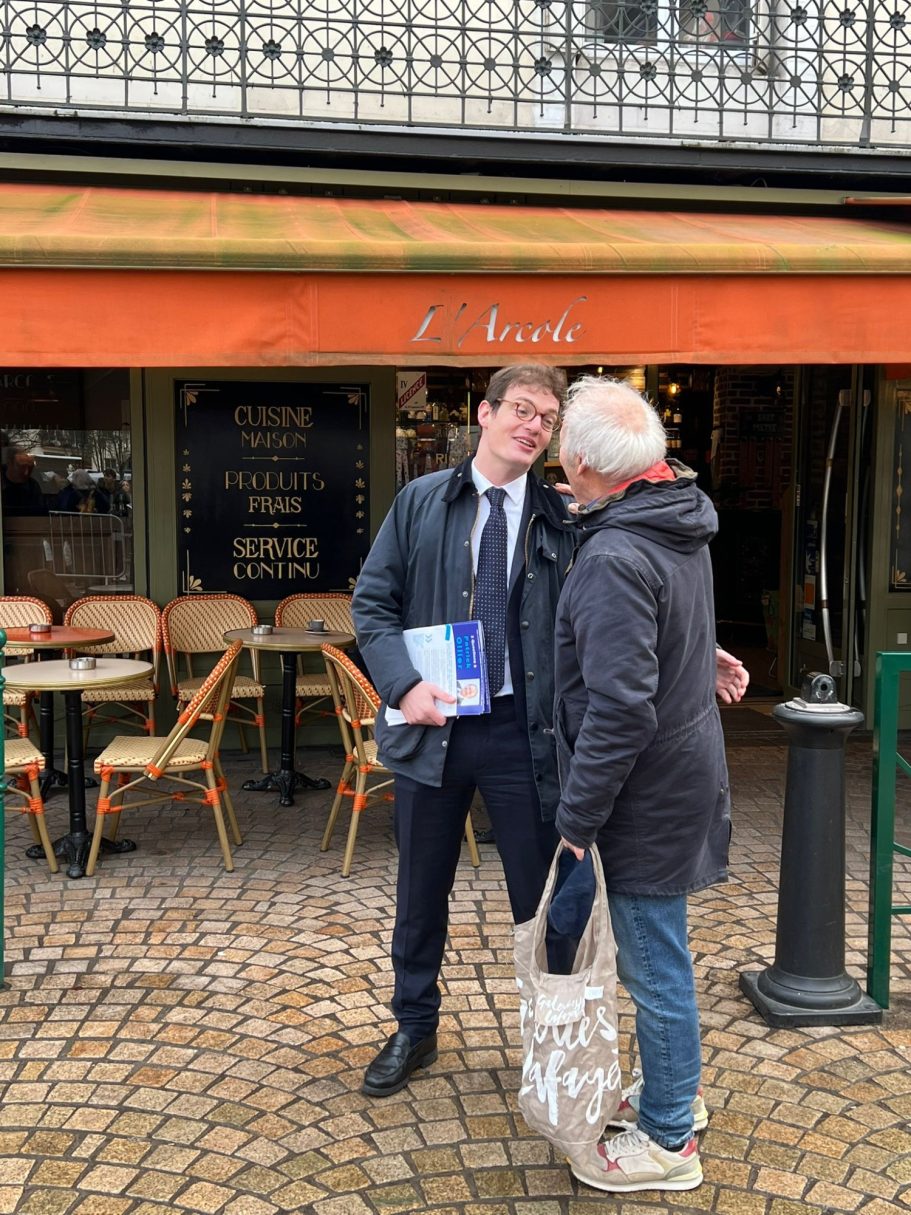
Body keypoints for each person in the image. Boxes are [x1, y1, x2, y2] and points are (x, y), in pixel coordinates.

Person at [352, 364, 748, 1101]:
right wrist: (403, 685)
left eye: (547, 418)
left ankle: (553, 1043)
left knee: (542, 905)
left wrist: (696, 650)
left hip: (526, 733)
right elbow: (372, 605)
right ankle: (414, 1025)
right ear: (484, 413)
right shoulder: (420, 501)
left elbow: (625, 611)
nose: (533, 426)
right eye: (521, 409)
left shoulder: (568, 514)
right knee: (419, 891)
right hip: (433, 727)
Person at [552, 376, 732, 1195]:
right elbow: (669, 635)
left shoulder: (614, 555)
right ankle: (673, 1093)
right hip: (680, 771)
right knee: (662, 956)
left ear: (582, 461)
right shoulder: (672, 518)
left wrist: (576, 819)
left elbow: (618, 709)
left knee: (654, 967)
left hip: (646, 791)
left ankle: (667, 1138)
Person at [1, 446, 47, 516]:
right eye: (21, 467)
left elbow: (40, 515)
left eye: (30, 468)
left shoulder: (33, 486)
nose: (26, 472)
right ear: (9, 463)